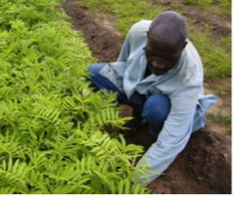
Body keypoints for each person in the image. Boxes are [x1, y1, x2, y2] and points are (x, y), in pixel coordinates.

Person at [88, 11, 217, 186]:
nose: (157, 63)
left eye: (168, 59)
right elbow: (123, 62)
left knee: (156, 108)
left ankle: (152, 136)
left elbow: (172, 140)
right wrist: (113, 102)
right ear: (147, 37)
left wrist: (132, 184)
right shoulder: (138, 31)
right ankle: (137, 117)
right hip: (143, 89)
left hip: (166, 106)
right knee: (93, 72)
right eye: (152, 53)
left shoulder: (188, 76)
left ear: (183, 47)